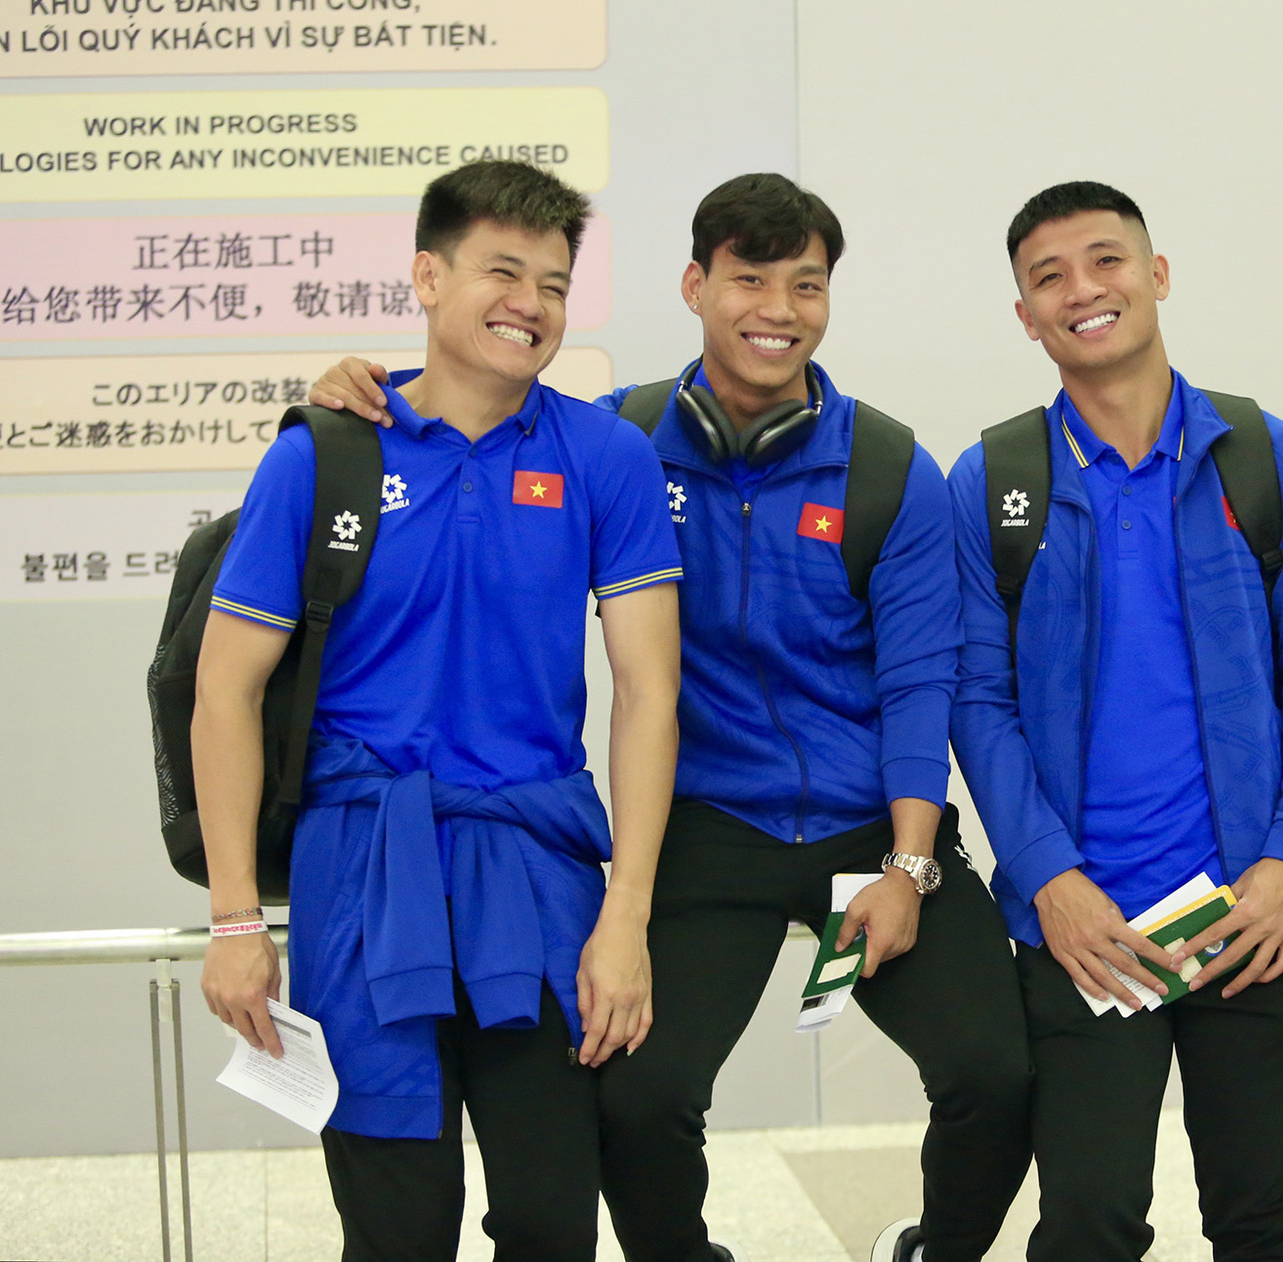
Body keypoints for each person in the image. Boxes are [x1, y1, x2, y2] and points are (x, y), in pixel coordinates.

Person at [312, 172, 1033, 1262]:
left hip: (870, 823)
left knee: (998, 1072)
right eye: (750, 280)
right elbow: (480, 417)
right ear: (696, 286)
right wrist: (354, 391)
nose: (778, 309)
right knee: (633, 1094)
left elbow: (919, 681)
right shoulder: (620, 441)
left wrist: (908, 862)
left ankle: (937, 1248)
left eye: (806, 285)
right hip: (708, 822)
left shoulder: (890, 468)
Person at [196, 159, 682, 1261]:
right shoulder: (324, 454)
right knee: (396, 1226)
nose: (530, 304)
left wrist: (627, 916)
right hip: (364, 875)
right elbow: (225, 690)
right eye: (501, 272)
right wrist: (235, 921)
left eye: (553, 284)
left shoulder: (604, 455)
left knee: (551, 1221)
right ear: (427, 276)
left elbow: (650, 692)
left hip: (538, 877)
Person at [948, 181, 1283, 1262]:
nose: (1083, 289)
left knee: (1265, 1221)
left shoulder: (1264, 456)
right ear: (1026, 316)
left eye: (1107, 260)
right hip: (1086, 932)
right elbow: (977, 700)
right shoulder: (993, 481)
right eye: (1049, 277)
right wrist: (1049, 878)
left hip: (1255, 914)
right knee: (1087, 1224)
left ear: (1157, 275)